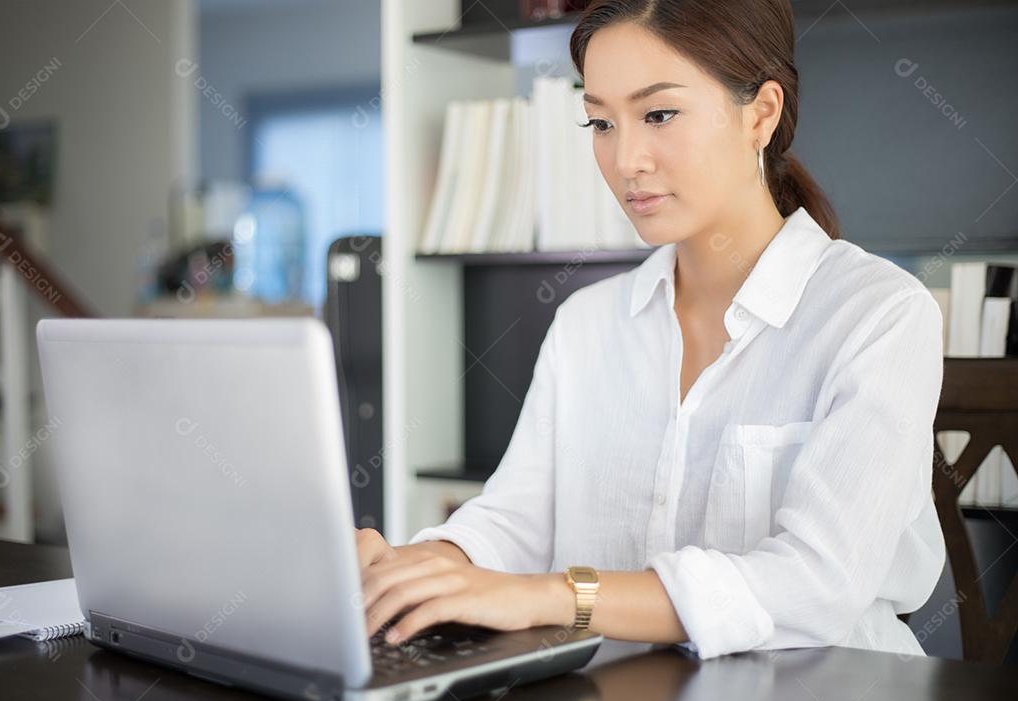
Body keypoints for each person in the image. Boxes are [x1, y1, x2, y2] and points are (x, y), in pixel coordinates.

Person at [357, 0, 945, 660]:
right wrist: (420, 569)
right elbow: (517, 517)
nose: (626, 159)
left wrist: (557, 597)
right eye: (600, 122)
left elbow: (817, 581)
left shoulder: (877, 314)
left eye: (658, 114)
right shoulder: (587, 323)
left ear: (762, 113)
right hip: (623, 693)